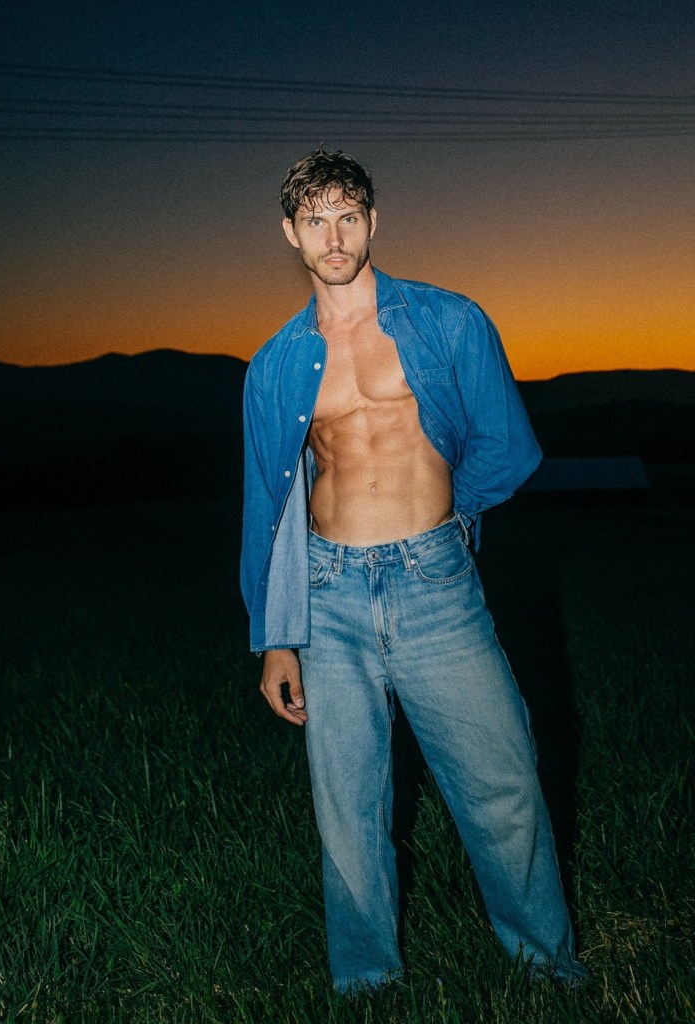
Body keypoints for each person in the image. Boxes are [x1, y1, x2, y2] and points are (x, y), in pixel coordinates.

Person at [240, 149, 588, 994]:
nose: (333, 237)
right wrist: (275, 636)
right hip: (328, 596)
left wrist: (442, 522)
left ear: (373, 221)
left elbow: (508, 447)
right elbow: (267, 507)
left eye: (347, 216)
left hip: (434, 585)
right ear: (290, 234)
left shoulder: (450, 321)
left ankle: (546, 968)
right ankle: (366, 984)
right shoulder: (274, 364)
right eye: (315, 220)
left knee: (503, 781)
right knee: (348, 808)